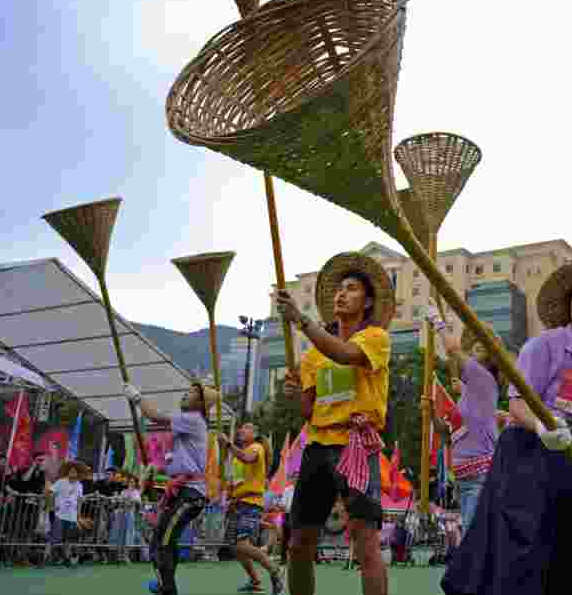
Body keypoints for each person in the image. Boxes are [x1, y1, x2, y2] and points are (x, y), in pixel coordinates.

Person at [441, 253, 572, 595]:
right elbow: (518, 403)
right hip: (526, 456)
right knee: (523, 550)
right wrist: (543, 427)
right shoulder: (542, 347)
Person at [277, 252, 395, 595]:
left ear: (368, 300)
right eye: (338, 290)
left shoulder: (376, 338)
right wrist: (295, 392)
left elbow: (344, 355)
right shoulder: (312, 354)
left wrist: (300, 320)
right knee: (298, 543)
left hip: (356, 445)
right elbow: (308, 410)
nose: (341, 294)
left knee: (365, 542)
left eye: (352, 288)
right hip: (317, 447)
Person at [123, 380, 220, 595]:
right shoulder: (188, 425)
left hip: (190, 494)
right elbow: (174, 458)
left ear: (202, 405)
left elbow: (156, 417)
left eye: (194, 393)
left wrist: (137, 398)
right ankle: (164, 584)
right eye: (189, 390)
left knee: (161, 543)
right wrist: (154, 469)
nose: (187, 394)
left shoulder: (194, 419)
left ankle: (167, 588)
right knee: (166, 541)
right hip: (183, 491)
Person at [426, 312, 503, 536]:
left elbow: (452, 350)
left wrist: (438, 321)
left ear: (490, 360)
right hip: (464, 477)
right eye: (473, 348)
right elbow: (447, 434)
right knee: (474, 536)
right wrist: (431, 412)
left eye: (480, 349)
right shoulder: (468, 395)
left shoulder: (484, 378)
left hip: (480, 475)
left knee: (474, 537)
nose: (471, 353)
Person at [218, 422, 283, 593]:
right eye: (241, 428)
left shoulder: (256, 448)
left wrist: (228, 445)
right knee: (235, 546)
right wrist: (230, 498)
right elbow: (235, 480)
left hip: (251, 503)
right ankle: (255, 581)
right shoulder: (237, 457)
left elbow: (248, 458)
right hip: (238, 504)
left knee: (242, 545)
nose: (241, 430)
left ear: (254, 434)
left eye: (246, 428)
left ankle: (275, 569)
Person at [46, 460, 83, 567]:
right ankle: (47, 556)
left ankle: (67, 558)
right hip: (60, 514)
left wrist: (78, 514)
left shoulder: (79, 485)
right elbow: (50, 492)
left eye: (75, 472)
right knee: (55, 537)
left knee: (68, 539)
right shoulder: (61, 481)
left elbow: (80, 500)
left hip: (72, 515)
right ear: (68, 472)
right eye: (71, 471)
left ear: (77, 473)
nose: (73, 473)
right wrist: (52, 506)